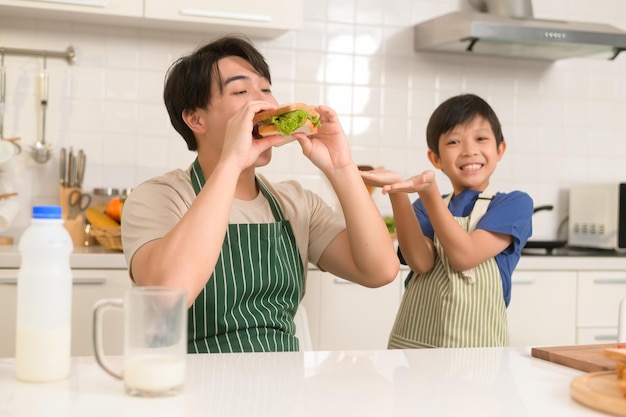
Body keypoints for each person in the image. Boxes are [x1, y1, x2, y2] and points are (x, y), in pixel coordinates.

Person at [120, 35, 400, 354]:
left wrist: (341, 167)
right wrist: (233, 160)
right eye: (241, 91)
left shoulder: (296, 203)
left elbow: (380, 270)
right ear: (196, 118)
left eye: (265, 89)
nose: (265, 103)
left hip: (282, 390)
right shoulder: (161, 198)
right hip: (188, 390)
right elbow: (168, 293)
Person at [360, 94, 533, 348]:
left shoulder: (513, 204)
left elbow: (465, 256)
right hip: (416, 347)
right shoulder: (424, 206)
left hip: (476, 352)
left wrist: (429, 193)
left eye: (481, 138)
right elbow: (421, 262)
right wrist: (396, 192)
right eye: (454, 141)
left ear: (500, 149)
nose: (469, 150)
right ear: (436, 158)